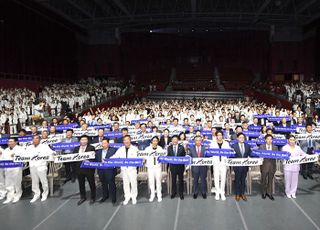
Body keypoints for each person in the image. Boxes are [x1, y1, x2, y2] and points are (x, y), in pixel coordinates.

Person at [111, 135, 139, 205]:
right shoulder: (120, 149)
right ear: (123, 141)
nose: (126, 141)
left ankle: (134, 196)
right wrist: (108, 159)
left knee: (133, 183)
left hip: (132, 170)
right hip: (124, 170)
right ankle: (127, 197)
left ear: (130, 140)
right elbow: (115, 156)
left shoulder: (135, 149)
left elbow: (139, 157)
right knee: (125, 184)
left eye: (128, 140)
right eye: (125, 140)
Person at [26, 135, 54, 203]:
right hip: (32, 166)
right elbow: (24, 155)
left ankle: (44, 194)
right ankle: (36, 194)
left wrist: (52, 156)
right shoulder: (29, 147)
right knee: (34, 182)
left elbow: (52, 153)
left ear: (39, 139)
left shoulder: (45, 146)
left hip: (42, 166)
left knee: (43, 181)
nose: (35, 140)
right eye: (33, 139)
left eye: (37, 138)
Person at [73, 135, 96, 205]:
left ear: (87, 141)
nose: (83, 141)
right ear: (80, 141)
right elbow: (73, 158)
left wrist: (90, 161)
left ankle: (93, 197)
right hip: (79, 169)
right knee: (81, 184)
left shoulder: (91, 147)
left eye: (85, 140)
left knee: (91, 183)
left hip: (88, 169)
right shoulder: (76, 148)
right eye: (82, 140)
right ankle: (82, 197)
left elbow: (94, 157)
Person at [210, 130, 231, 201]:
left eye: (221, 135)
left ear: (223, 136)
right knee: (216, 178)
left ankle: (222, 192)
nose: (219, 136)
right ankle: (217, 192)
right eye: (218, 135)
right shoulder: (212, 143)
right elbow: (210, 153)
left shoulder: (226, 143)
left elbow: (228, 153)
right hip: (216, 163)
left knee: (223, 178)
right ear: (216, 136)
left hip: (223, 163)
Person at [2, 137, 24, 204]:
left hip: (16, 168)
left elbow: (23, 157)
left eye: (11, 141)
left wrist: (15, 156)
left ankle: (17, 195)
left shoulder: (20, 149)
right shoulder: (6, 150)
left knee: (17, 182)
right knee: (8, 183)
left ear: (15, 142)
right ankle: (9, 197)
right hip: (8, 168)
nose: (9, 143)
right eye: (9, 142)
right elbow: (3, 158)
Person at [95, 138, 117, 204]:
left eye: (105, 143)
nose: (103, 144)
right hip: (101, 170)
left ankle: (113, 198)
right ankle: (105, 196)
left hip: (110, 170)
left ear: (108, 143)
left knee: (111, 184)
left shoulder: (113, 150)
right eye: (102, 143)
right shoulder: (98, 152)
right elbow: (96, 160)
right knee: (103, 184)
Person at [231, 133, 252, 201]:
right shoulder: (233, 146)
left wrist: (258, 157)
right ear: (237, 138)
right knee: (237, 180)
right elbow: (231, 156)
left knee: (243, 180)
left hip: (245, 167)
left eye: (243, 137)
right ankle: (237, 194)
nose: (242, 139)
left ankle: (242, 193)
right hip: (237, 166)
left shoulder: (248, 146)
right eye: (240, 137)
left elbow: (250, 154)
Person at [145, 136, 165, 202]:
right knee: (151, 181)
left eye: (156, 141)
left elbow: (163, 156)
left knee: (158, 181)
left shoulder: (160, 148)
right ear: (151, 141)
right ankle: (152, 195)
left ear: (158, 141)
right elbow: (143, 156)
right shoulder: (147, 149)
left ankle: (159, 195)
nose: (155, 142)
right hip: (150, 168)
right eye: (154, 141)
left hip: (158, 167)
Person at [167, 135, 186, 200]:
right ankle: (173, 192)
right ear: (171, 141)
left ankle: (181, 193)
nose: (175, 140)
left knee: (181, 180)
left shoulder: (182, 147)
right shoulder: (169, 148)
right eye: (173, 139)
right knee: (173, 180)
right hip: (172, 167)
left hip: (180, 166)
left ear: (178, 140)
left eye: (176, 139)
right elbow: (168, 157)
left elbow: (184, 156)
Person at [260, 134, 277, 200]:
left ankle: (269, 193)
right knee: (263, 179)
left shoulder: (275, 147)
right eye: (268, 139)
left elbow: (277, 156)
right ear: (265, 140)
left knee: (270, 180)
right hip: (264, 165)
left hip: (272, 166)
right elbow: (260, 155)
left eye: (271, 139)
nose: (269, 140)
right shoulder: (261, 146)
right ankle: (263, 192)